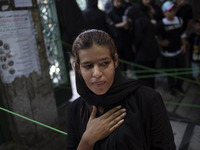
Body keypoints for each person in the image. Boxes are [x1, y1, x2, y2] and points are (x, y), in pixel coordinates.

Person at [66, 29, 176, 150]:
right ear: (77, 68)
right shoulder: (76, 109)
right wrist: (87, 140)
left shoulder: (146, 99)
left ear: (115, 61)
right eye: (88, 66)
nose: (97, 73)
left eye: (104, 63)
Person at [156, 1, 187, 96]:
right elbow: (155, 37)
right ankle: (172, 89)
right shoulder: (161, 24)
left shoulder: (179, 20)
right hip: (168, 54)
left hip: (179, 50)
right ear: (164, 12)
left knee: (182, 71)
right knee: (170, 73)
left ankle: (179, 86)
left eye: (174, 10)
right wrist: (161, 42)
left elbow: (182, 34)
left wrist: (184, 45)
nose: (172, 12)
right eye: (169, 11)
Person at [188, 18, 200, 82]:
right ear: (195, 26)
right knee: (195, 74)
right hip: (194, 59)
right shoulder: (192, 36)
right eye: (198, 25)